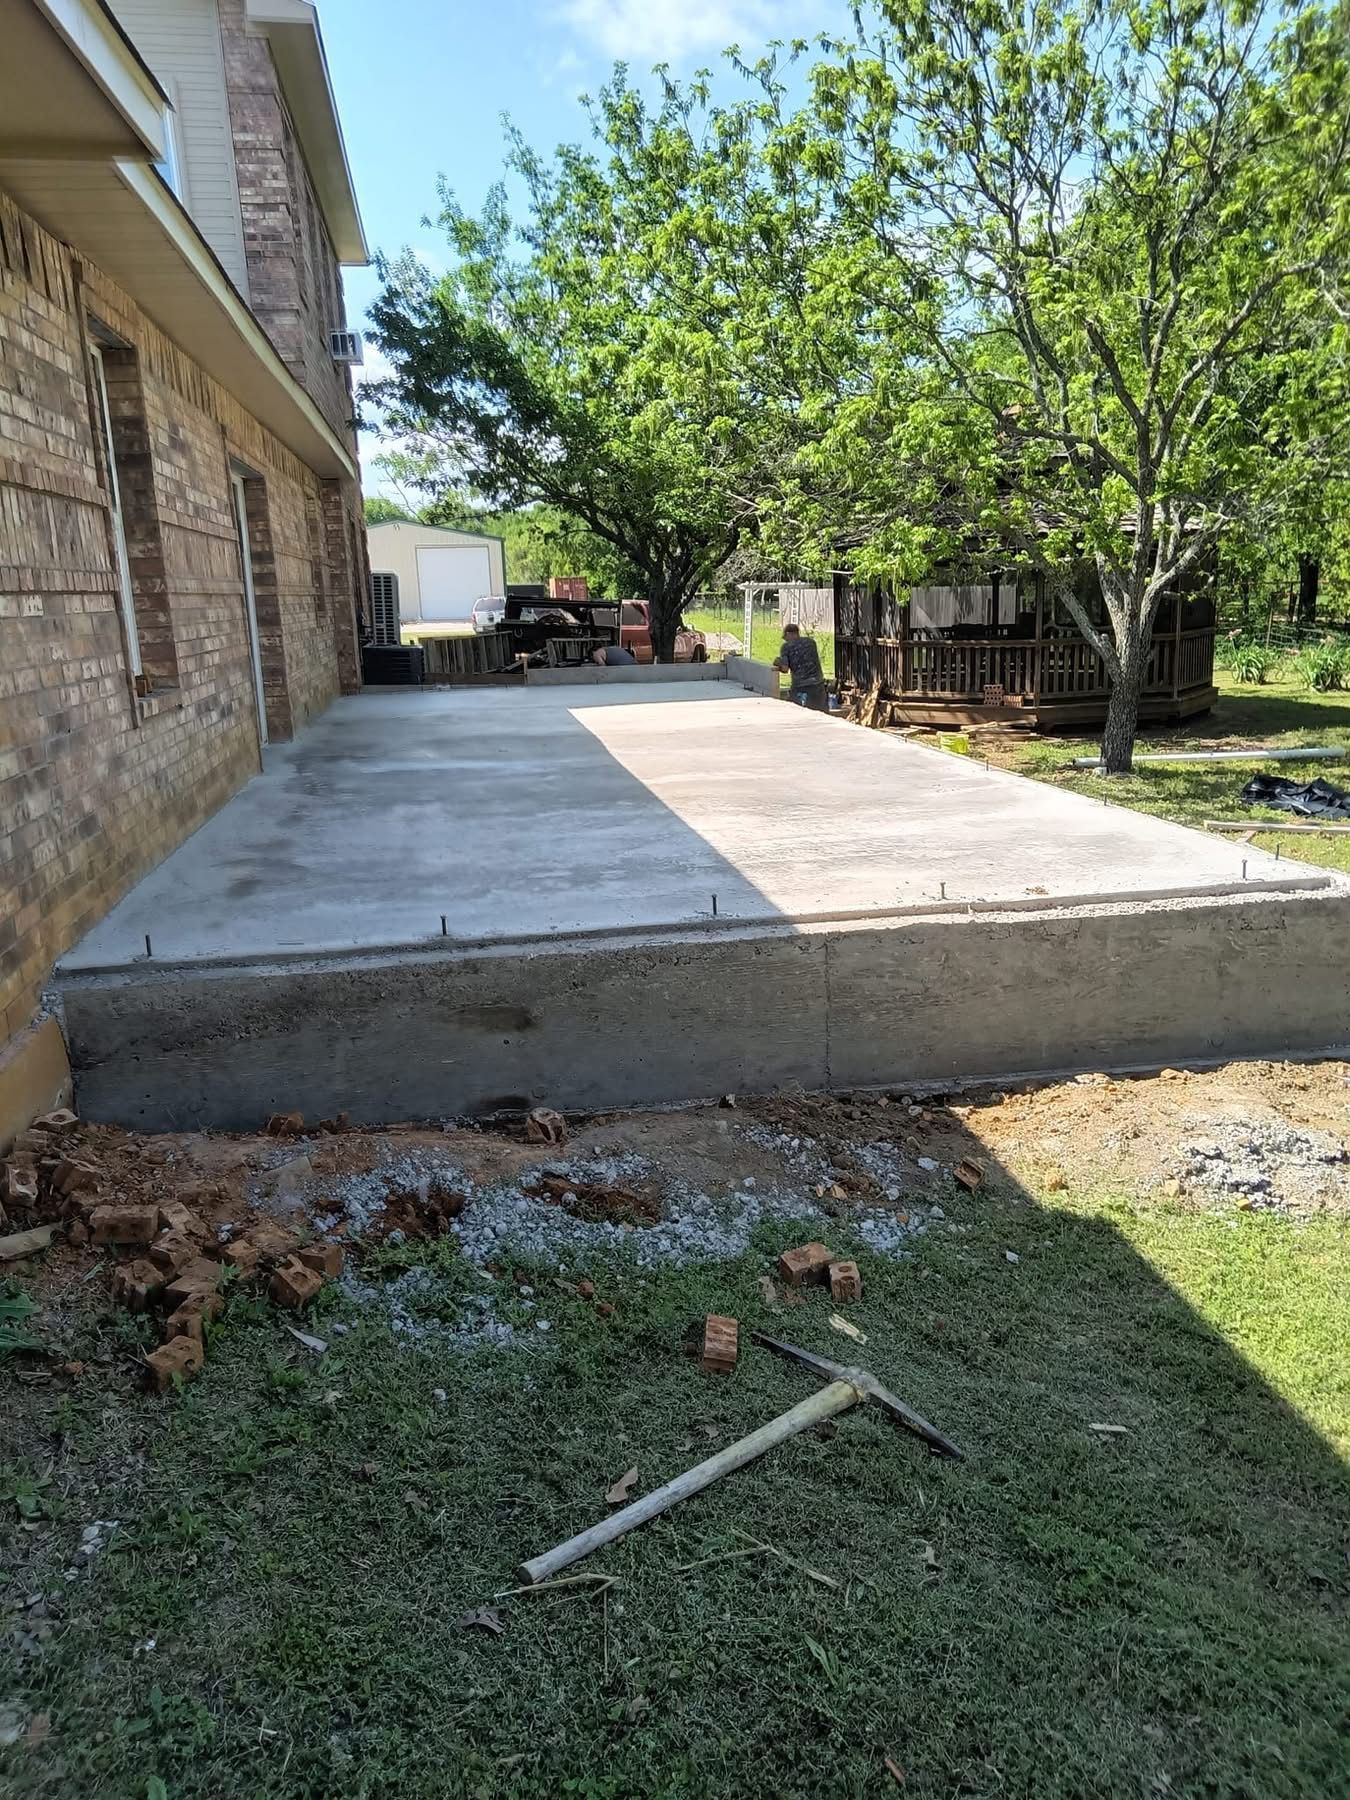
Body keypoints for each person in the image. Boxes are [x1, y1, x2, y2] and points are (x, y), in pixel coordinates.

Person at [773, 622, 829, 710]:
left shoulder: (786, 647)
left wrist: (777, 662)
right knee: (821, 713)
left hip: (801, 687)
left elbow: (784, 669)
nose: (785, 640)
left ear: (788, 634)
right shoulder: (811, 642)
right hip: (818, 683)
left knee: (797, 711)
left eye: (785, 638)